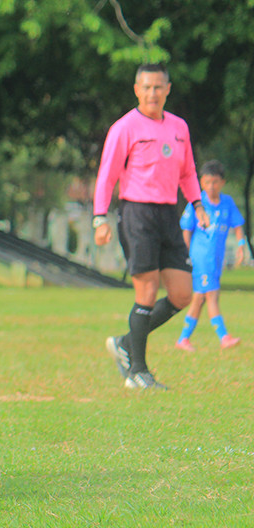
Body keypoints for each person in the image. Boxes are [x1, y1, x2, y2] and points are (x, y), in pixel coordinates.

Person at [94, 63, 208, 390]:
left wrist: (197, 204)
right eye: (146, 87)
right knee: (146, 291)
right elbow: (107, 174)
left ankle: (125, 343)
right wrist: (100, 217)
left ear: (168, 89)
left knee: (182, 293)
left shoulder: (178, 127)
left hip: (169, 214)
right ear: (136, 89)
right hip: (137, 213)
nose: (152, 93)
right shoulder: (124, 127)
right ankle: (138, 373)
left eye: (158, 87)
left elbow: (187, 172)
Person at [175, 160, 245, 351]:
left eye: (215, 182)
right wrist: (187, 254)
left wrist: (241, 245)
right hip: (201, 257)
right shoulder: (198, 204)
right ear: (201, 183)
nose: (211, 186)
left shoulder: (227, 203)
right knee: (212, 296)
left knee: (199, 298)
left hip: (216, 259)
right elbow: (186, 229)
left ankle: (183, 339)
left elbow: (238, 225)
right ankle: (224, 337)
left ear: (222, 182)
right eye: (207, 182)